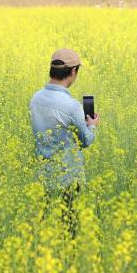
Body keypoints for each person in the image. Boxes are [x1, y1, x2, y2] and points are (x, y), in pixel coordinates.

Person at [29, 49, 100, 235]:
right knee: (68, 227)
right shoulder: (71, 106)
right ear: (73, 72)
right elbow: (86, 141)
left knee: (43, 224)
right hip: (67, 177)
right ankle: (69, 259)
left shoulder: (35, 99)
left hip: (43, 174)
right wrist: (92, 125)